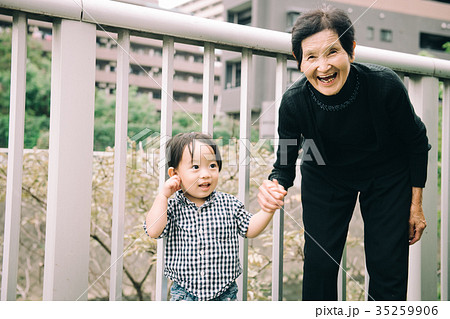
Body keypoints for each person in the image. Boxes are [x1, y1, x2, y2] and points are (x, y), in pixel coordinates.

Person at [258, 6, 430, 301]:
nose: (323, 67)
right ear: (300, 63)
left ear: (351, 50)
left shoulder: (384, 85)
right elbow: (284, 165)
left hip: (387, 175)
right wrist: (273, 186)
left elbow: (416, 141)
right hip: (326, 177)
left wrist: (416, 206)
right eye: (311, 57)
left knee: (388, 266)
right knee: (319, 265)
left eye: (332, 52)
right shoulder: (293, 102)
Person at [144, 132, 286, 301]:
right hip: (185, 294)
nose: (206, 174)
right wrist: (163, 196)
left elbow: (250, 228)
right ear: (175, 174)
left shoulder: (229, 204)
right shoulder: (172, 208)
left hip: (224, 294)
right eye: (195, 167)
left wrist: (268, 210)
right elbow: (153, 230)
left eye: (212, 165)